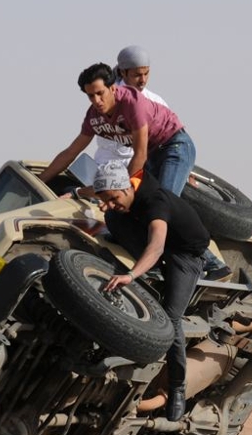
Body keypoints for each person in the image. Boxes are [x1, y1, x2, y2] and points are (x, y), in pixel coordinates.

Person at [40, 60, 230, 279]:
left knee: (162, 204)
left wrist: (120, 189)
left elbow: (139, 153)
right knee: (128, 207)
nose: (97, 101)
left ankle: (213, 263)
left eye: (100, 93)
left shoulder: (132, 104)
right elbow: (70, 152)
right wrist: (42, 179)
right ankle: (151, 259)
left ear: (113, 87)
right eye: (90, 96)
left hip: (173, 147)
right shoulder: (94, 117)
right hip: (152, 153)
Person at [93, 161, 209, 421]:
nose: (110, 203)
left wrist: (131, 275)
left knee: (172, 318)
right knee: (113, 217)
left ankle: (177, 388)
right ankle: (143, 258)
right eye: (105, 199)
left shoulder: (155, 202)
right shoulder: (124, 196)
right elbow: (106, 199)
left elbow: (156, 246)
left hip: (184, 255)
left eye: (113, 198)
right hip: (157, 244)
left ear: (126, 187)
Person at [93, 45, 169, 167]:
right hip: (104, 164)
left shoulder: (157, 102)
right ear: (123, 72)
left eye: (146, 73)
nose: (143, 80)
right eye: (137, 75)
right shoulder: (107, 97)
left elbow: (170, 140)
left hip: (139, 167)